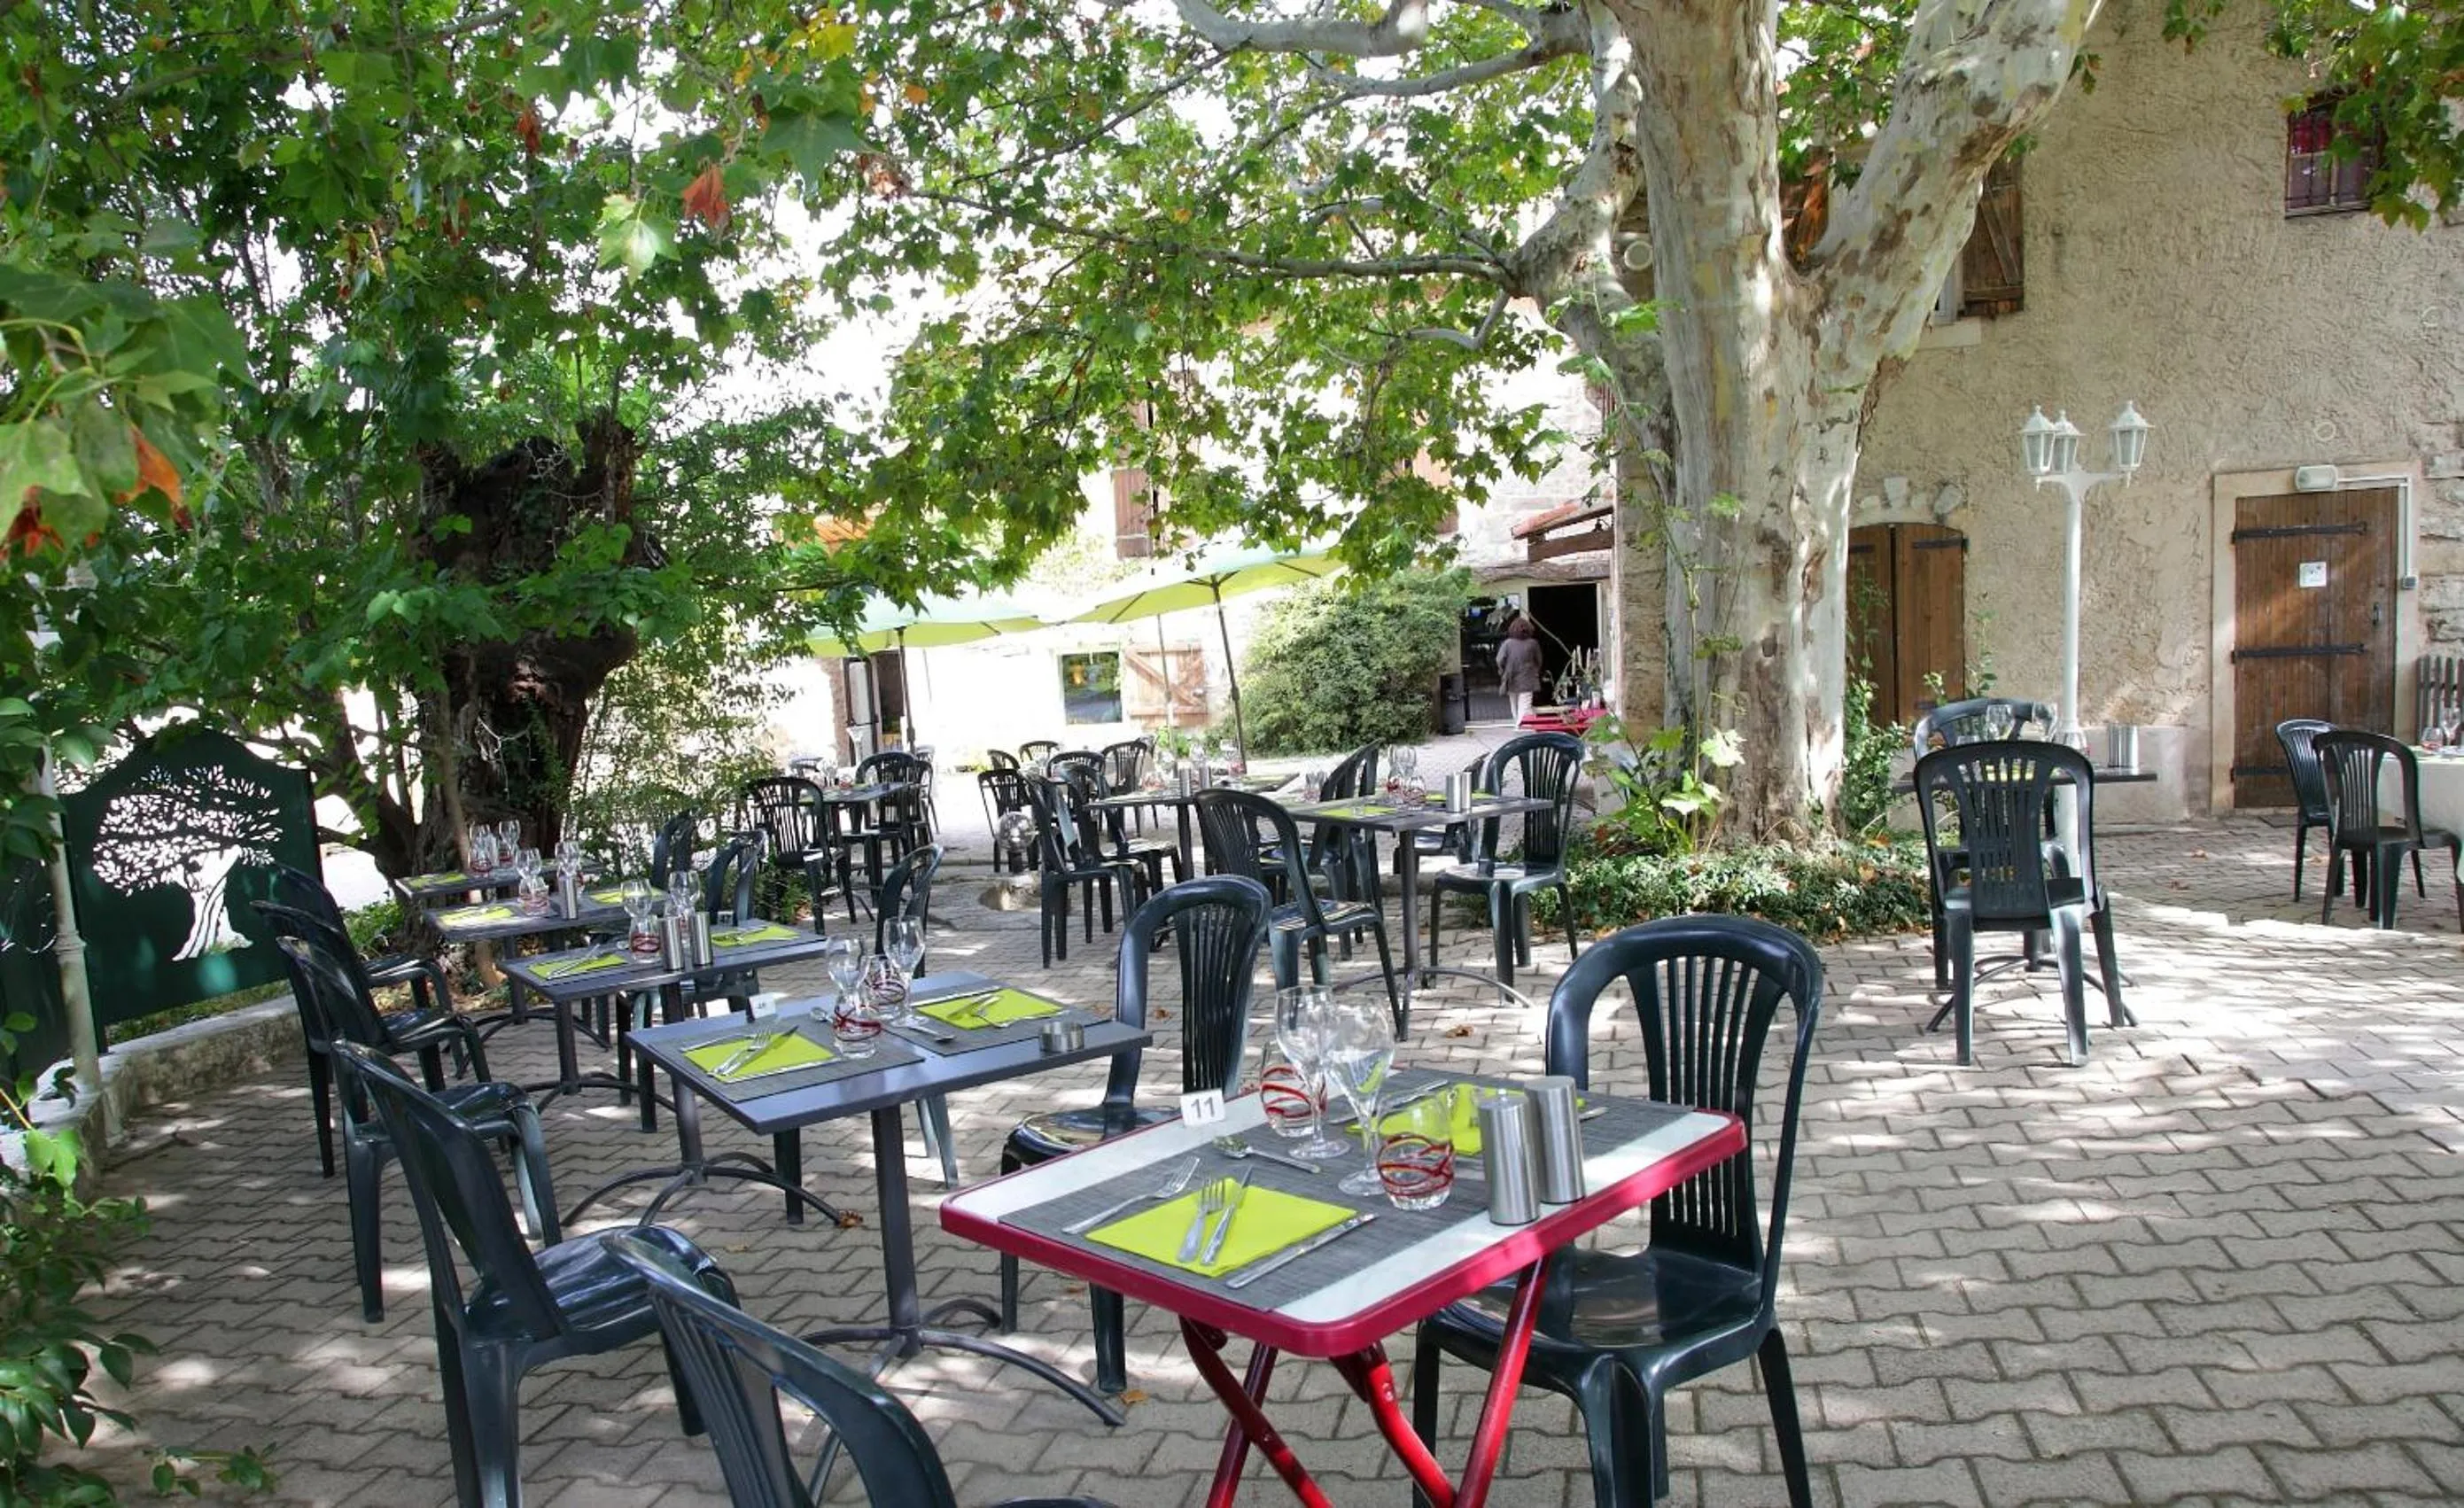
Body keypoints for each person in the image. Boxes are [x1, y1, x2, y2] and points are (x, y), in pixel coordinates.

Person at [1496, 616, 1544, 725]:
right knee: (1525, 705)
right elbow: (1539, 661)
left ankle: (1517, 723)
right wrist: (1535, 671)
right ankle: (1520, 725)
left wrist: (1503, 671)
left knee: (1514, 704)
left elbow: (1499, 660)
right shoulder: (1533, 643)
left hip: (1511, 678)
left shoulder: (1507, 644)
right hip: (1528, 678)